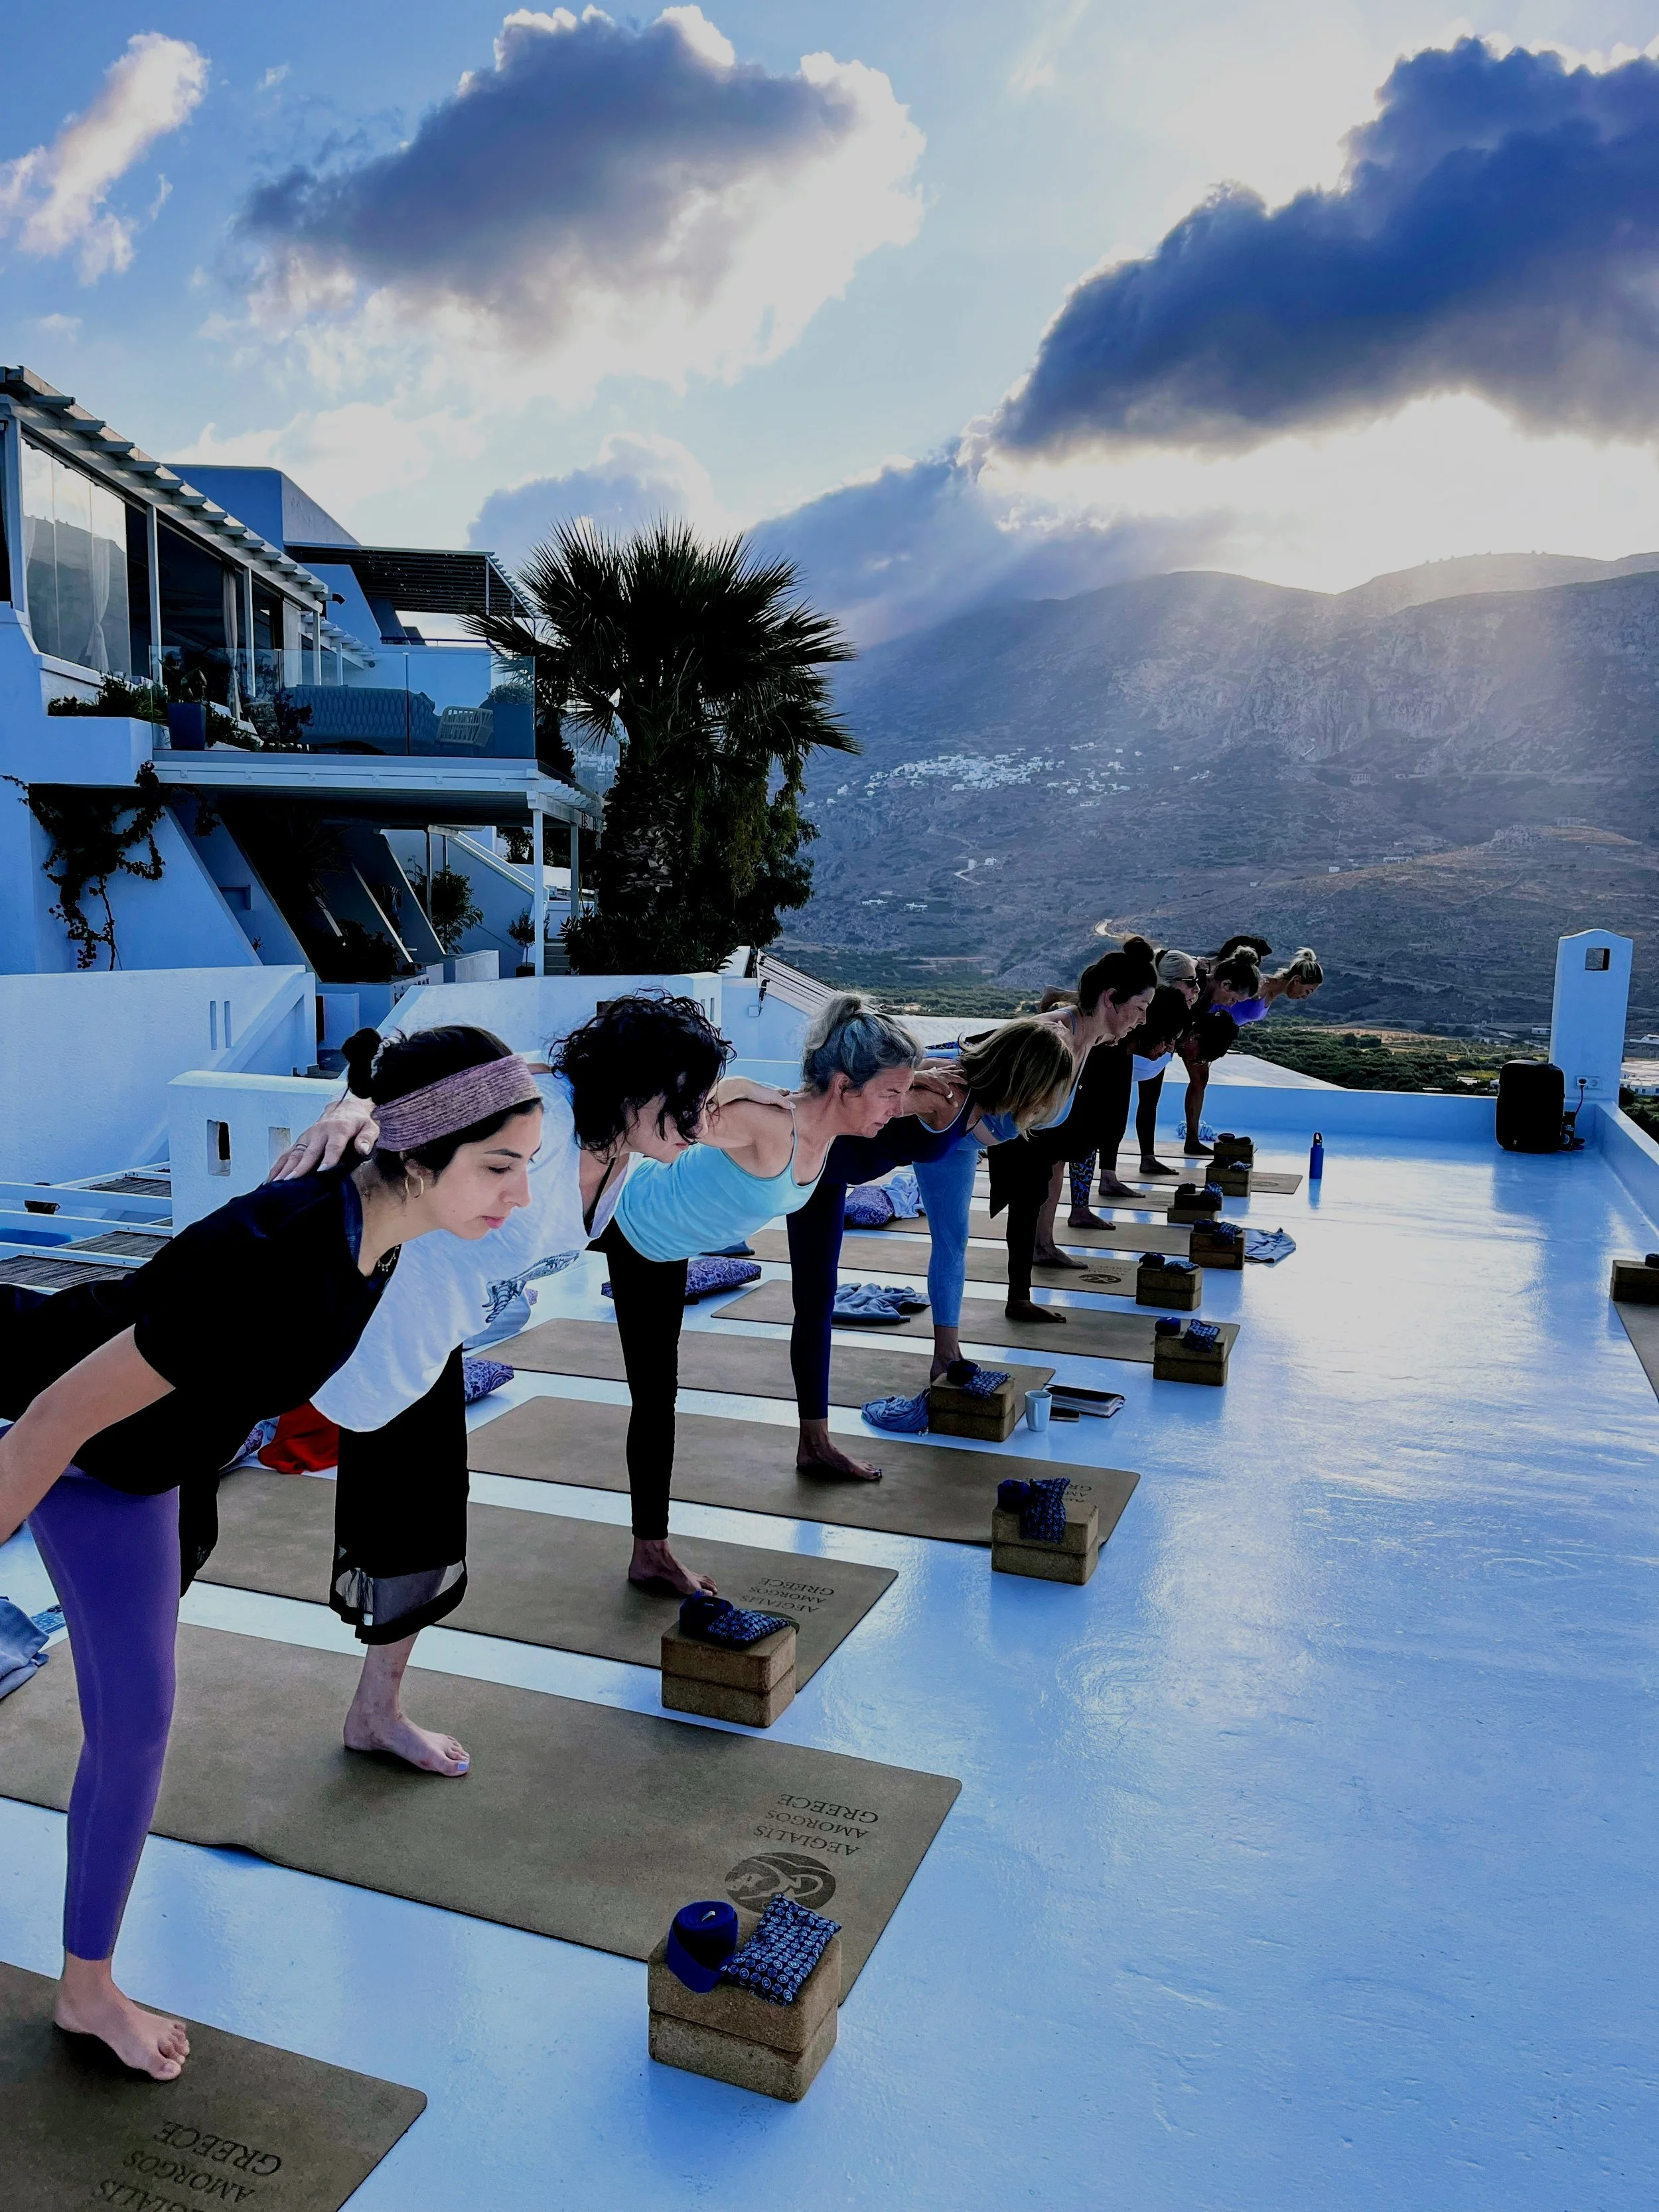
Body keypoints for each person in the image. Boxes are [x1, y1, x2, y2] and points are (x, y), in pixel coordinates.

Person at [0, 1024, 543, 2079]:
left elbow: (383, 1081)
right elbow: (54, 1420)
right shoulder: (278, 1261)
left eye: (526, 1165)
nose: (518, 1196)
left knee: (137, 1721)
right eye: (498, 1167)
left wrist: (351, 1105)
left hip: (130, 1467)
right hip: (33, 1418)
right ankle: (90, 1988)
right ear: (422, 1156)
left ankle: (84, 1989)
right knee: (139, 1718)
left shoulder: (378, 1211)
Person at [265, 994, 731, 1780]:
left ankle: (374, 1712)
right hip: (358, 1316)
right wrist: (345, 1106)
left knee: (422, 1531)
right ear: (630, 1086)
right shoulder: (535, 1114)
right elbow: (402, 1088)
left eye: (703, 1101)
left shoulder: (620, 1150)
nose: (697, 1122)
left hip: (425, 1342)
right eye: (683, 1100)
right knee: (170, 1467)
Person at [597, 994, 970, 1589]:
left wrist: (916, 1083)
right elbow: (669, 1111)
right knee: (655, 1396)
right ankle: (653, 1551)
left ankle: (650, 1552)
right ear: (845, 1084)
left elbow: (923, 1116)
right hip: (622, 1214)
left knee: (656, 1394)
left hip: (662, 1249)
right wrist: (741, 1087)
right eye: (889, 1095)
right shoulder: (771, 1124)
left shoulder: (831, 1136)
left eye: (902, 1095)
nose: (898, 1109)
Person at [986, 939, 1158, 1318]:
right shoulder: (1055, 1036)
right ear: (1111, 998)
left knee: (1033, 1186)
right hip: (943, 1122)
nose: (1143, 1019)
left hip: (979, 1132)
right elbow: (975, 1059)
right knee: (1021, 1193)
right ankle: (1018, 1300)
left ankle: (1019, 1299)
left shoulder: (1091, 1040)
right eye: (1141, 1008)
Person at [1067, 984, 1196, 1219]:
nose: (1169, 1049)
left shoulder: (1122, 1050)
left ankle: (1085, 1203)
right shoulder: (1104, 1047)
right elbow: (1083, 1133)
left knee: (1109, 1121)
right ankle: (1075, 1213)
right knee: (1086, 1129)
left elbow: (1113, 1122)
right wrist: (1080, 1209)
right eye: (1168, 1040)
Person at [1182, 942, 1264, 1153]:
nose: (1231, 1004)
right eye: (1234, 999)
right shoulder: (1192, 986)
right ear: (1226, 985)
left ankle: (1189, 1141)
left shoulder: (1207, 1001)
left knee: (1198, 1078)